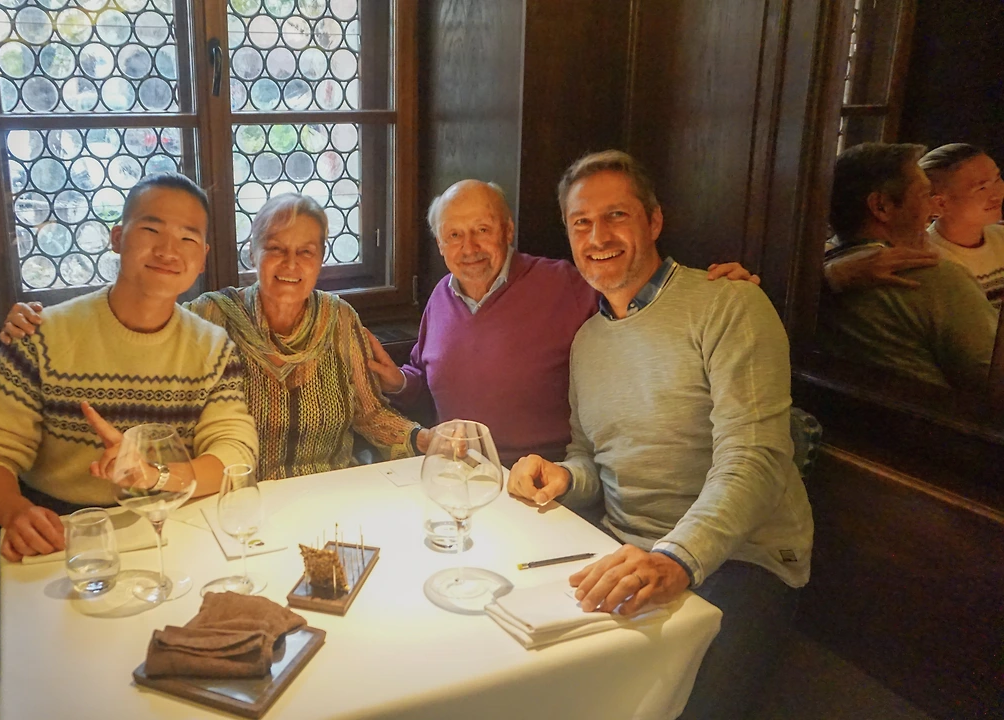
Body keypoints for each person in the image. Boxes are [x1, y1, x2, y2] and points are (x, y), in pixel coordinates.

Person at [507, 150, 814, 720]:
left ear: (654, 221)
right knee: (534, 680)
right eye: (581, 222)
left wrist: (676, 558)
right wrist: (562, 478)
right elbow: (590, 457)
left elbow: (755, 458)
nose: (598, 236)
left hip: (740, 558)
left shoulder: (731, 304)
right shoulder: (587, 342)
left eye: (616, 216)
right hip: (624, 549)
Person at [2, 193, 425, 482]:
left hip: (327, 495)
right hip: (232, 502)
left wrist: (423, 437)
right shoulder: (211, 315)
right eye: (275, 248)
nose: (290, 264)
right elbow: (136, 321)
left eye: (306, 252)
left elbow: (370, 414)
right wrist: (46, 320)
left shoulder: (340, 318)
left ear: (321, 259)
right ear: (252, 253)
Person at [0, 172, 259, 562]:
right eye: (151, 230)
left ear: (202, 256)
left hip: (175, 523)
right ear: (117, 237)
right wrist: (16, 512)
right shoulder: (40, 336)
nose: (168, 251)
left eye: (187, 239)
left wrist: (153, 475)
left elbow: (234, 451)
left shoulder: (212, 346)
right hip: (63, 531)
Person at [365, 180, 758, 465]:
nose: (469, 248)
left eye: (482, 230)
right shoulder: (440, 296)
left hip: (545, 483)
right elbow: (427, 379)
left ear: (507, 230)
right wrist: (399, 382)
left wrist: (704, 289)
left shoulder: (564, 283)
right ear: (439, 244)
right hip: (456, 473)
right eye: (454, 235)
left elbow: (639, 302)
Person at [816, 143, 997, 390]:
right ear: (882, 207)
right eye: (924, 195)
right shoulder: (937, 277)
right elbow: (993, 381)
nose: (934, 209)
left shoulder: (811, 272)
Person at [919, 143, 1004, 309]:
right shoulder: (928, 261)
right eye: (981, 188)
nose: (997, 194)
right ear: (940, 204)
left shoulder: (1001, 238)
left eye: (997, 178)